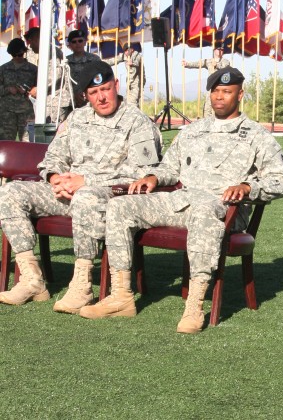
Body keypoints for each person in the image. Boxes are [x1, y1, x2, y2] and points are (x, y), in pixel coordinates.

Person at [79, 67, 283, 333]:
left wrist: (249, 187)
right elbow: (169, 167)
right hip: (181, 201)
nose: (219, 97)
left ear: (240, 95)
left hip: (223, 209)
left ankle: (195, 304)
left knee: (204, 212)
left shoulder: (256, 135)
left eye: (226, 92)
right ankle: (121, 295)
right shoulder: (193, 131)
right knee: (120, 206)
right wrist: (154, 178)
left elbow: (282, 181)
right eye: (215, 92)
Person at [0, 61, 162, 311]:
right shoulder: (77, 118)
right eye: (94, 93)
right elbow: (53, 157)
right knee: (10, 192)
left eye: (105, 89)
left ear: (115, 86)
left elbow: (143, 171)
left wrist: (86, 182)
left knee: (86, 197)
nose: (101, 97)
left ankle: (82, 286)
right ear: (85, 95)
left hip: (110, 195)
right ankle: (32, 279)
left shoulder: (137, 121)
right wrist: (55, 177)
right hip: (67, 192)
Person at [24, 26, 70, 124]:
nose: (30, 46)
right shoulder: (36, 52)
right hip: (44, 101)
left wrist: (38, 89)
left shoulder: (51, 52)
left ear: (36, 39)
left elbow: (56, 74)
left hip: (54, 101)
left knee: (50, 134)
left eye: (30, 42)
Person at [0, 38, 38, 142]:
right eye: (14, 55)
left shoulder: (33, 69)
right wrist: (7, 89)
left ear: (24, 52)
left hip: (27, 113)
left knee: (29, 142)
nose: (17, 57)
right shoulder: (3, 69)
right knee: (6, 142)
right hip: (7, 113)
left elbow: (40, 89)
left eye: (20, 54)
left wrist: (31, 91)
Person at [182, 47, 230, 118]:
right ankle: (206, 121)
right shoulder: (209, 61)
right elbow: (198, 64)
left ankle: (218, 121)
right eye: (219, 49)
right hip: (211, 87)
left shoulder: (225, 61)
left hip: (220, 87)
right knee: (207, 107)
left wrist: (217, 65)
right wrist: (187, 64)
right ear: (214, 50)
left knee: (218, 105)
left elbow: (226, 69)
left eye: (222, 50)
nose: (220, 51)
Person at [64, 29, 101, 113]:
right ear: (69, 44)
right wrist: (73, 95)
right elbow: (63, 85)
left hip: (90, 103)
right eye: (74, 42)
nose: (78, 44)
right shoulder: (65, 62)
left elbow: (99, 80)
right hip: (71, 104)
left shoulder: (95, 60)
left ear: (85, 42)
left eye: (80, 41)